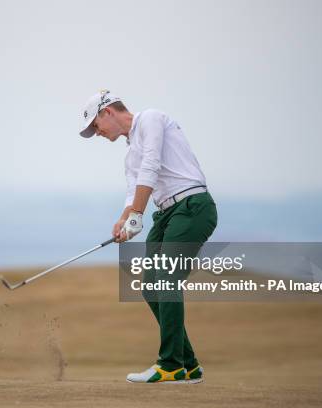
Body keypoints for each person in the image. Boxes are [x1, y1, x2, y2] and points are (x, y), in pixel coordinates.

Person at [79, 90, 218, 384]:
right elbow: (134, 192)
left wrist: (137, 216)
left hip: (193, 207)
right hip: (166, 213)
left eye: (96, 125)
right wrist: (123, 220)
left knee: (166, 280)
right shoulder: (129, 156)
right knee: (151, 286)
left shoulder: (152, 119)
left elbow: (152, 167)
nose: (97, 133)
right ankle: (189, 365)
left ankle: (170, 365)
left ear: (108, 112)